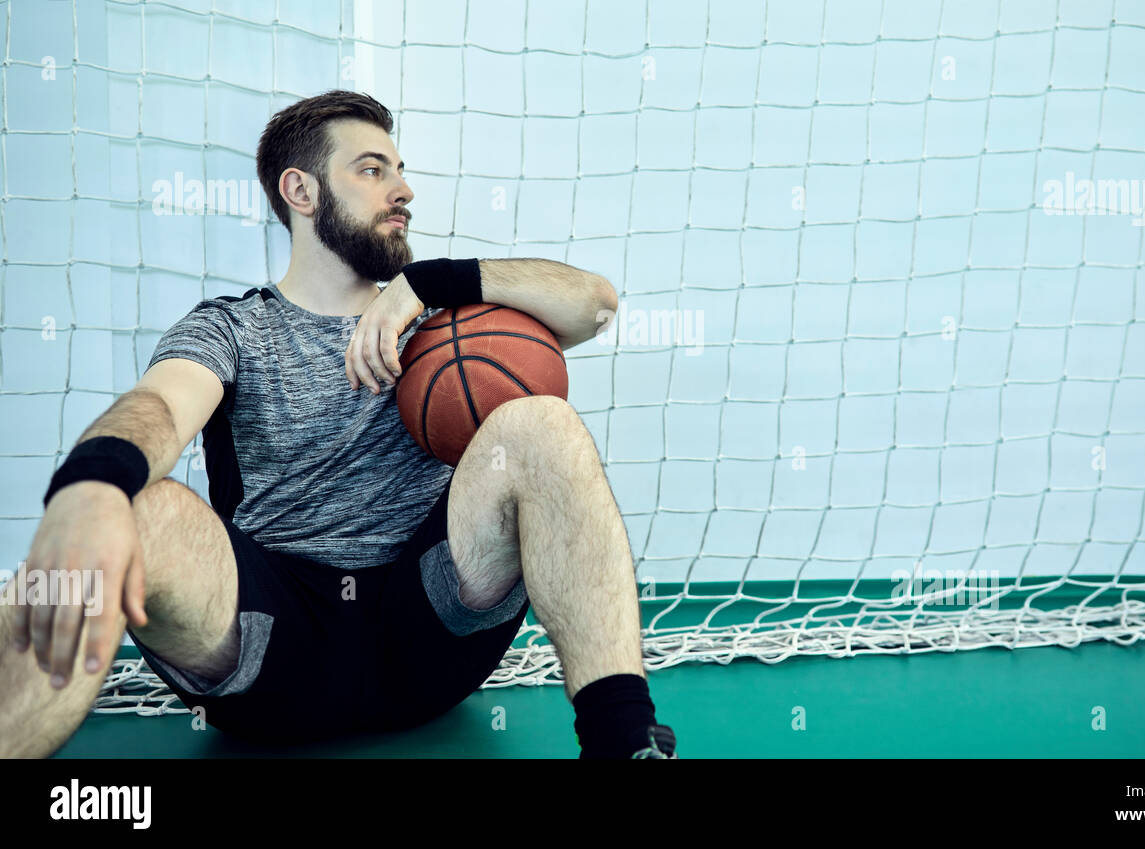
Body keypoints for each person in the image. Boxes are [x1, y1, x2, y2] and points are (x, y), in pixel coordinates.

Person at [0, 90, 676, 759]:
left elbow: (597, 305)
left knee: (542, 424)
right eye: (373, 168)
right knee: (137, 505)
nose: (403, 189)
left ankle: (626, 744)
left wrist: (435, 282)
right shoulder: (232, 328)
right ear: (301, 189)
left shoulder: (439, 322)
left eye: (401, 169)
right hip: (271, 646)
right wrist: (89, 487)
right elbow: (162, 406)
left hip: (430, 625)